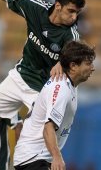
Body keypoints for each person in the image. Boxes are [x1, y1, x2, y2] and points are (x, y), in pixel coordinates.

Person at [0, 0, 85, 169]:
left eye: (77, 13)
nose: (74, 17)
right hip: (19, 76)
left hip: (41, 91)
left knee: (26, 138)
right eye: (70, 11)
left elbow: (77, 53)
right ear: (58, 5)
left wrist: (64, 61)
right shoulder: (35, 7)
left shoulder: (70, 33)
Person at [13, 41, 95, 170]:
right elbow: (48, 127)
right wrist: (57, 157)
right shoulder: (61, 88)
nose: (92, 68)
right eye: (88, 63)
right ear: (73, 66)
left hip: (37, 158)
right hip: (34, 158)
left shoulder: (70, 84)